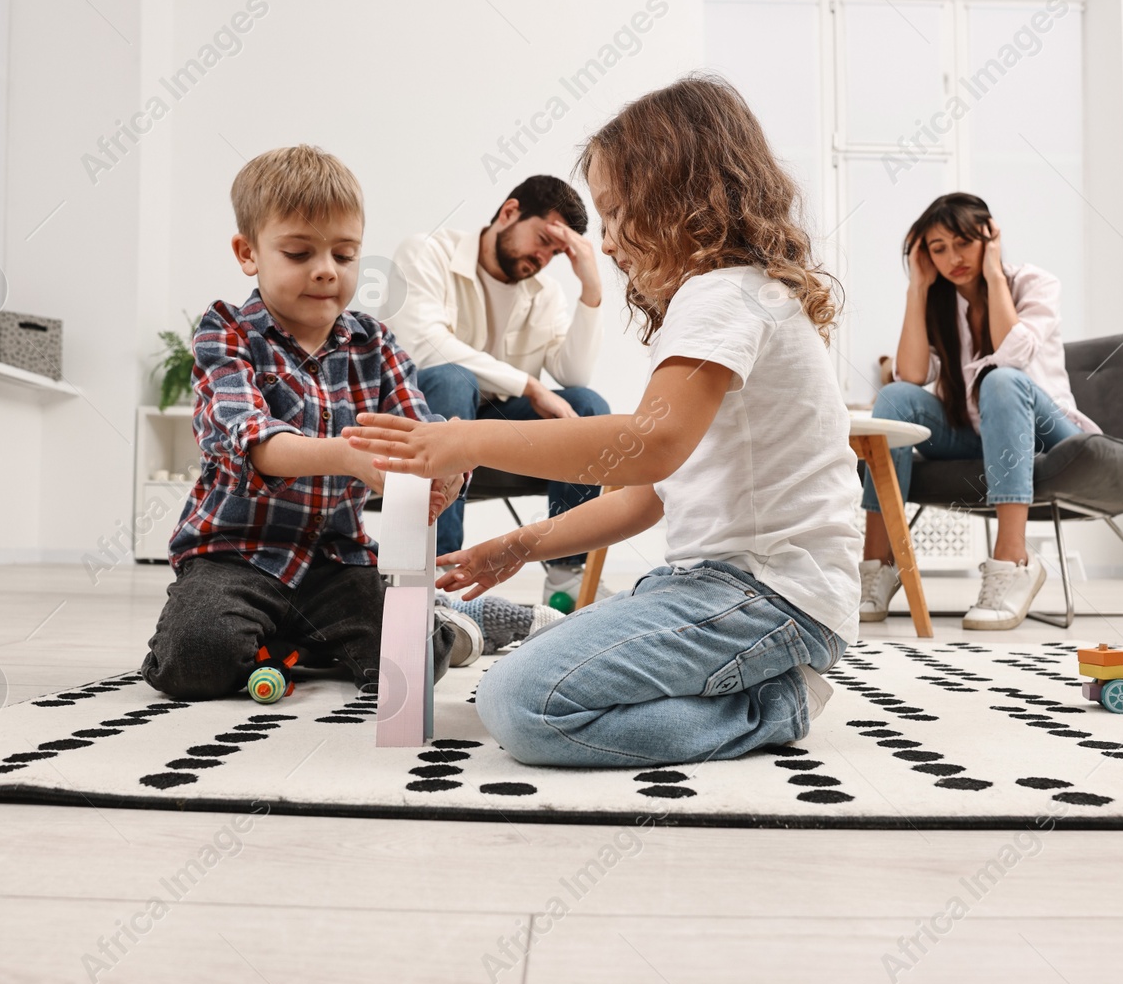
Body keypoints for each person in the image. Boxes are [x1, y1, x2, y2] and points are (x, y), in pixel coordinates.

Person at [345, 76, 861, 769]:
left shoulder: (724, 295)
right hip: (727, 586)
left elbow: (646, 447)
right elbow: (654, 492)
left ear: (678, 198)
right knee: (536, 675)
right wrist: (523, 543)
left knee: (522, 704)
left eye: (616, 214)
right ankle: (747, 682)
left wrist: (462, 436)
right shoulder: (731, 297)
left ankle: (774, 703)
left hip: (768, 595)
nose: (610, 243)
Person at [142, 145, 481, 701]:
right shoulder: (227, 331)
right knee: (195, 659)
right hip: (234, 556)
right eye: (299, 253)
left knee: (415, 659)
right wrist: (347, 456)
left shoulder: (374, 343)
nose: (326, 270)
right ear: (248, 253)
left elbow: (420, 431)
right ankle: (276, 637)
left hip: (335, 560)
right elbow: (250, 439)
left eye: (345, 256)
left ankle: (311, 638)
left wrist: (446, 472)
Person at [860, 192, 1100, 631]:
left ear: (989, 237)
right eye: (938, 249)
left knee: (1001, 380)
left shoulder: (1034, 283)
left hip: (1051, 433)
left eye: (964, 242)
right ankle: (878, 565)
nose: (953, 257)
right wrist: (917, 289)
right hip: (976, 435)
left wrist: (992, 275)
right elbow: (910, 375)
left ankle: (1014, 561)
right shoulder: (939, 302)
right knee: (895, 399)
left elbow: (1012, 356)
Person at [384, 175, 612, 605]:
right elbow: (424, 346)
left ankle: (567, 578)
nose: (545, 258)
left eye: (557, 252)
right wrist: (528, 384)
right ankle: (440, 576)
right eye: (544, 238)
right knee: (452, 378)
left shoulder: (545, 293)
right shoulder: (427, 252)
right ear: (509, 212)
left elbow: (574, 373)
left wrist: (591, 289)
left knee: (589, 407)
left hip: (501, 426)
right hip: (432, 418)